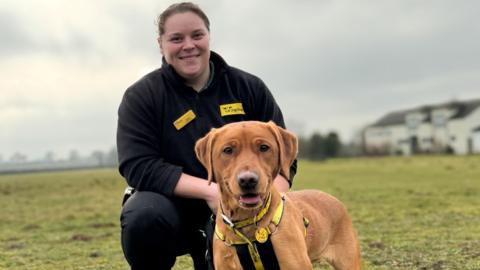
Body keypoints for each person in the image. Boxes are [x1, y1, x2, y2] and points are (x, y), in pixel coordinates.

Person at [116, 2, 297, 269]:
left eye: (197, 35)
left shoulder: (249, 88)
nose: (188, 45)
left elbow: (285, 160)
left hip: (244, 206)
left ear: (209, 36)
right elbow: (139, 166)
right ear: (161, 43)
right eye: (176, 38)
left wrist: (271, 202)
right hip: (172, 207)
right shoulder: (142, 96)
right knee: (143, 217)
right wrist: (210, 191)